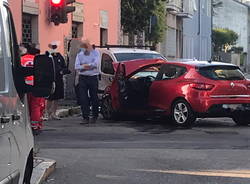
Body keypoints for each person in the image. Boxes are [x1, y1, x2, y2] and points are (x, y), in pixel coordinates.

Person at [21, 43, 45, 134]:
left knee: (25, 107)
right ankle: (35, 126)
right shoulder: (38, 60)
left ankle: (25, 126)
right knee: (36, 107)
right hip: (36, 85)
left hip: (24, 85)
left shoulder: (22, 59)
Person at [75, 40, 100, 124]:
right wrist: (89, 66)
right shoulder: (80, 54)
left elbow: (95, 64)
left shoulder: (96, 53)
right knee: (83, 97)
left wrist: (83, 66)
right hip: (83, 78)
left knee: (94, 97)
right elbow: (76, 66)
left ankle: (95, 116)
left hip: (93, 77)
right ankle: (85, 117)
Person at [46, 41, 70, 120]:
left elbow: (65, 67)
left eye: (55, 46)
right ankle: (47, 113)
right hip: (50, 79)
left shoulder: (59, 56)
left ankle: (54, 113)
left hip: (59, 79)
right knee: (50, 97)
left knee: (57, 97)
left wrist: (62, 71)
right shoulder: (47, 55)